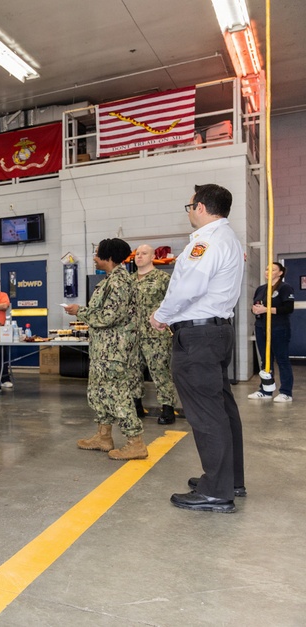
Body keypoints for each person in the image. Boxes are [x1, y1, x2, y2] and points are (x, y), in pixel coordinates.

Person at [151, 184, 245, 513]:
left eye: (189, 206)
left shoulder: (205, 242)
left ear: (201, 207)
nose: (189, 211)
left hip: (198, 337)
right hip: (217, 333)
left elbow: (188, 288)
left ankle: (217, 492)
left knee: (206, 414)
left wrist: (160, 316)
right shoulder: (229, 238)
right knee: (222, 409)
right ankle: (229, 479)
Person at [65, 238, 146, 460]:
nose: (94, 257)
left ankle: (135, 441)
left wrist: (79, 311)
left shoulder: (119, 283)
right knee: (100, 393)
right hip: (104, 349)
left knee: (117, 394)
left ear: (109, 257)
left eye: (97, 253)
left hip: (115, 351)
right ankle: (103, 436)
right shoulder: (109, 281)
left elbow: (109, 316)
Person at [131, 244, 178, 424]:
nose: (139, 256)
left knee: (160, 371)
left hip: (156, 335)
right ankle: (136, 405)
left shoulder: (163, 278)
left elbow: (173, 303)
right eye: (137, 254)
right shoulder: (129, 280)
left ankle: (167, 408)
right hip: (133, 335)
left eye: (144, 254)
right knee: (133, 372)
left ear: (152, 257)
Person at [247, 262, 294, 403]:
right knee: (265, 361)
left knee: (282, 360)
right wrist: (254, 309)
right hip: (261, 327)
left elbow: (288, 308)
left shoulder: (285, 288)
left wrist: (266, 309)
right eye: (267, 269)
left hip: (278, 328)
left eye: (272, 269)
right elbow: (257, 306)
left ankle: (286, 392)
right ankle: (265, 390)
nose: (268, 271)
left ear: (280, 273)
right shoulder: (261, 289)